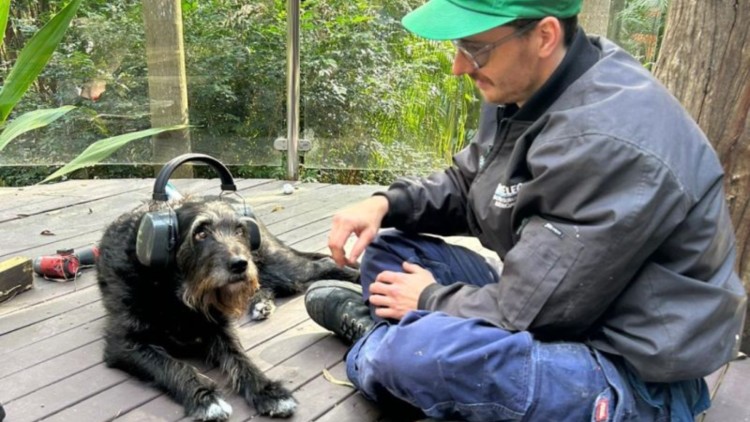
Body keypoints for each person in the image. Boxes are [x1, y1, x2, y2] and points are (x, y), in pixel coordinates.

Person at [304, 0, 748, 420]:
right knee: (388, 250)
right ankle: (400, 345)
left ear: (545, 36)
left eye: (473, 49)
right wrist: (385, 203)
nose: (460, 67)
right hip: (555, 299)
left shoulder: (608, 141)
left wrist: (427, 299)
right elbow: (468, 184)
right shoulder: (531, 88)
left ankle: (375, 348)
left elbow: (532, 311)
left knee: (417, 353)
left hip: (627, 369)